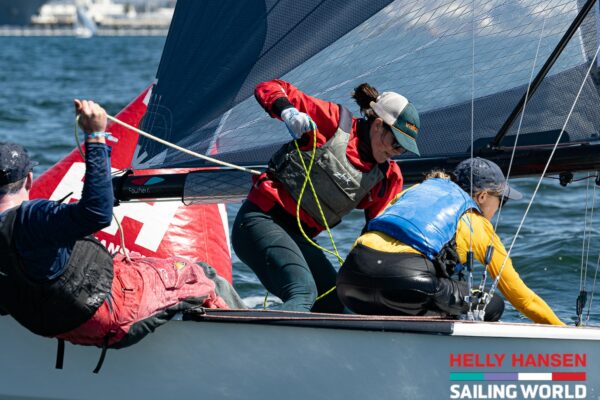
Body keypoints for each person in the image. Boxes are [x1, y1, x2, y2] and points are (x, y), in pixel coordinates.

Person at [0, 100, 245, 352]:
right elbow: (96, 213)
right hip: (109, 316)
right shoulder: (33, 217)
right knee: (200, 273)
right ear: (29, 179)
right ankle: (247, 344)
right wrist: (95, 137)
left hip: (56, 323)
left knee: (136, 263)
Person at [232, 79, 421, 312]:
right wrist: (288, 112)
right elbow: (269, 86)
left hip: (300, 238)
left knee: (333, 302)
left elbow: (376, 237)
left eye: (402, 149)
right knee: (303, 292)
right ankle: (253, 343)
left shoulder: (388, 177)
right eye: (395, 143)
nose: (395, 152)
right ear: (378, 125)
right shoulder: (332, 122)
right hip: (260, 220)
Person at [337, 157, 565, 325]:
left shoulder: (418, 189)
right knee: (491, 303)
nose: (498, 208)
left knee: (438, 293)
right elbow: (522, 298)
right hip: (408, 282)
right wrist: (564, 332)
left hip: (350, 281)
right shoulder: (476, 222)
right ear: (482, 196)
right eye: (501, 201)